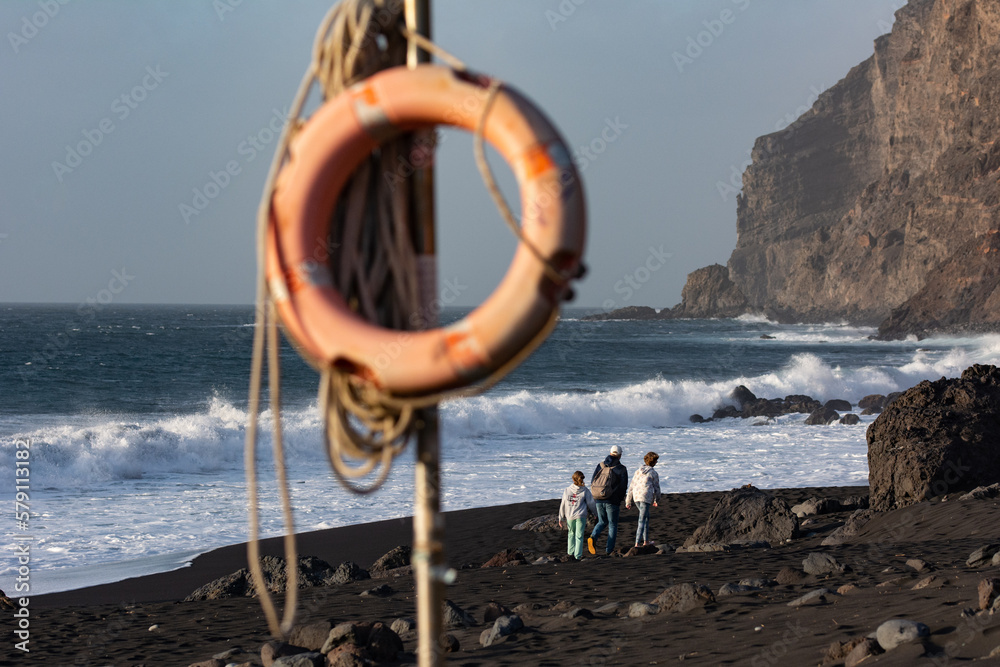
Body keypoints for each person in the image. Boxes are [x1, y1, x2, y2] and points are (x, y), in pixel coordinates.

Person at [588, 444, 629, 555]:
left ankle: (593, 536)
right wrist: (619, 500)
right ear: (620, 455)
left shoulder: (600, 465)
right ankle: (609, 550)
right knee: (612, 524)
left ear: (610, 453)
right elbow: (623, 487)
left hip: (598, 498)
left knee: (602, 521)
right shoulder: (621, 469)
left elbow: (593, 481)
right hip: (612, 501)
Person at [558, 470, 597, 560]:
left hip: (570, 516)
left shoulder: (567, 490)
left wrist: (560, 517)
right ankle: (577, 555)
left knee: (571, 534)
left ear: (573, 479)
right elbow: (591, 503)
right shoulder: (585, 490)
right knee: (579, 536)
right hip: (580, 516)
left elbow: (563, 504)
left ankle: (570, 554)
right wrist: (595, 513)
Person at [625, 451, 662, 547]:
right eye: (656, 461)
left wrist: (628, 500)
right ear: (653, 462)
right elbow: (657, 488)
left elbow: (631, 486)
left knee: (646, 517)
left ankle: (646, 541)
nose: (657, 462)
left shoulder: (638, 471)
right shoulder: (653, 473)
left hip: (636, 497)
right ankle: (637, 543)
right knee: (642, 519)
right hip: (645, 497)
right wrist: (657, 500)